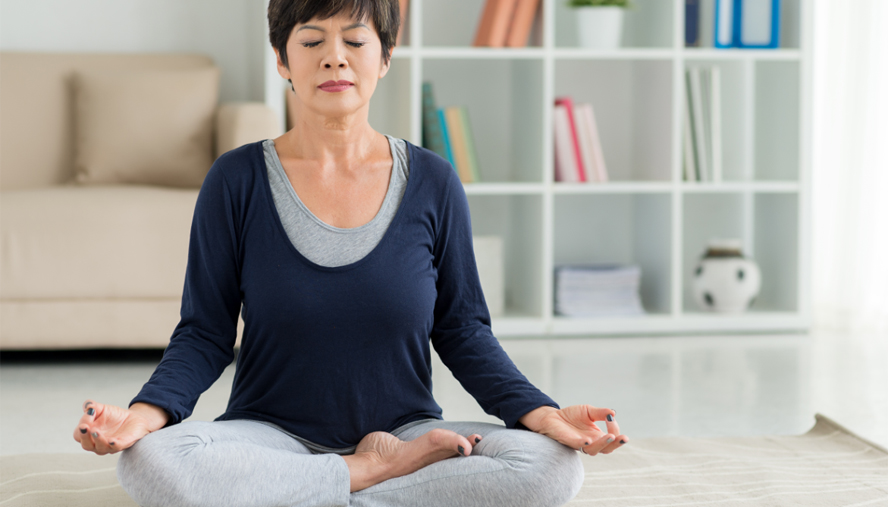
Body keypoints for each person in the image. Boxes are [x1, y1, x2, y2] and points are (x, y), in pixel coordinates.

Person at [72, 1, 630, 505]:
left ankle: (309, 495)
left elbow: (463, 331)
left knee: (551, 469)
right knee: (152, 463)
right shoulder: (235, 180)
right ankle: (365, 477)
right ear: (282, 60)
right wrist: (141, 417)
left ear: (384, 57)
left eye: (356, 41)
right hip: (269, 434)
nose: (334, 59)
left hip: (406, 429)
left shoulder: (432, 181)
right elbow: (204, 333)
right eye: (311, 42)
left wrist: (543, 415)